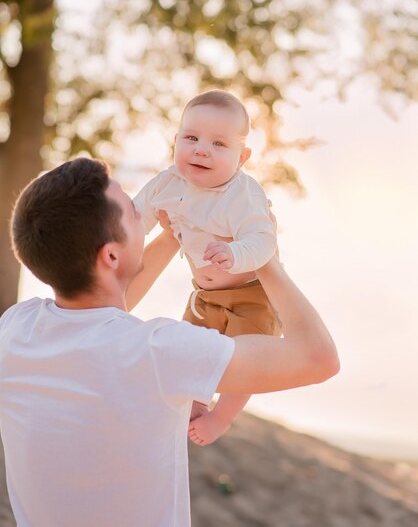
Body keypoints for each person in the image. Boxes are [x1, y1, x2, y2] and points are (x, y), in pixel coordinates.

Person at [0, 157, 339, 527]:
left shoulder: (16, 329)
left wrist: (174, 233)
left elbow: (104, 308)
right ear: (111, 254)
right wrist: (265, 257)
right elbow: (319, 359)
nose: (144, 211)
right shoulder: (159, 351)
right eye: (133, 213)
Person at [134, 90, 281, 445]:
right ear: (176, 141)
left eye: (218, 144)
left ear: (242, 157)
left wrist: (236, 253)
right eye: (192, 138)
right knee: (193, 352)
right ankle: (197, 403)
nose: (201, 149)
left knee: (246, 363)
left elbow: (264, 239)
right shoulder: (167, 185)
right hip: (205, 295)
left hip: (252, 294)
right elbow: (134, 220)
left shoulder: (243, 196)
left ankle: (221, 417)